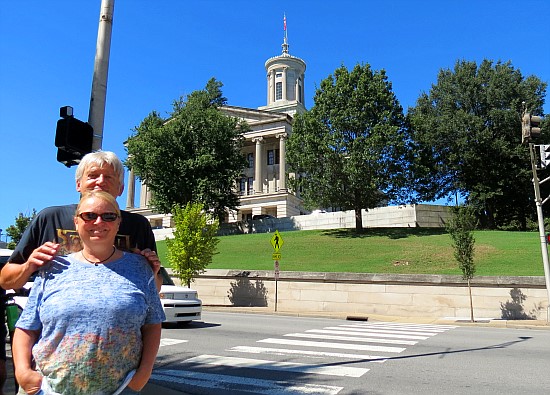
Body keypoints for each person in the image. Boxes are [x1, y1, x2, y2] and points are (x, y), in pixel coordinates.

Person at [0, 151, 162, 394]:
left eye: (109, 177)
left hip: (115, 378)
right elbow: (6, 281)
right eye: (93, 175)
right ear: (78, 184)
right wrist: (28, 266)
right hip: (51, 371)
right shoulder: (49, 218)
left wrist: (153, 271)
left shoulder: (137, 226)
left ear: (120, 188)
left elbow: (151, 295)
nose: (100, 182)